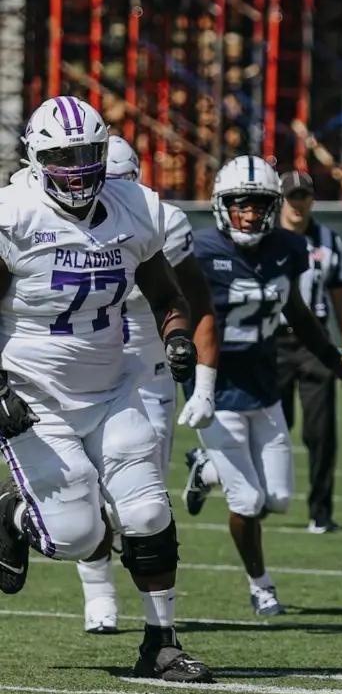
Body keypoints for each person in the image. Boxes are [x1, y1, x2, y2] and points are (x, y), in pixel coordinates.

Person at [0, 97, 209, 680]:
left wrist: (176, 336)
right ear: (37, 160)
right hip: (35, 396)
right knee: (74, 536)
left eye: (87, 155)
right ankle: (13, 515)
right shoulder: (13, 216)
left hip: (116, 386)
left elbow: (167, 295)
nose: (77, 168)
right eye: (62, 157)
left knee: (145, 512)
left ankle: (162, 643)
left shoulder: (134, 207)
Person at [178, 155, 342, 616]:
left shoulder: (287, 247)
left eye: (258, 204)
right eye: (239, 204)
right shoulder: (199, 251)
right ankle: (260, 583)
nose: (249, 213)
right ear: (220, 206)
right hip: (218, 388)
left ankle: (205, 470)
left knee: (280, 499)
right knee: (246, 500)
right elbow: (177, 314)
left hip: (264, 386)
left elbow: (300, 318)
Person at [70, 136, 217, 634]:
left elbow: (189, 299)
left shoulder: (159, 219)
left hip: (149, 369)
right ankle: (98, 589)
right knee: (83, 486)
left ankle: (157, 620)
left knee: (143, 494)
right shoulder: (52, 222)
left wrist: (202, 380)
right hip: (84, 366)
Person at [275, 169, 342, 533]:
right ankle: (258, 499)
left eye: (303, 196)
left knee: (321, 432)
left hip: (315, 342)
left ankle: (320, 512)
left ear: (311, 200)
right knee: (271, 426)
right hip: (271, 340)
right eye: (291, 196)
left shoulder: (328, 240)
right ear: (280, 199)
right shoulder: (265, 236)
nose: (297, 203)